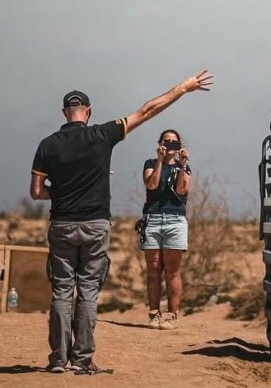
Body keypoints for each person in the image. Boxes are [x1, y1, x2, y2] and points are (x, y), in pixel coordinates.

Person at [29, 70, 213, 374]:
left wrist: (60, 192)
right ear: (87, 113)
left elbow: (36, 192)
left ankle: (58, 360)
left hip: (61, 223)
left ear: (64, 113)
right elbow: (147, 110)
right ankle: (82, 360)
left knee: (62, 291)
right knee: (88, 290)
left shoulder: (47, 145)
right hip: (95, 224)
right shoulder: (102, 134)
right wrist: (183, 87)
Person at [141, 129, 191, 330]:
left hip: (175, 219)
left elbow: (181, 190)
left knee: (172, 270)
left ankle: (172, 315)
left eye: (174, 142)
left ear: (179, 146)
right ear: (159, 143)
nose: (170, 145)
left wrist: (183, 165)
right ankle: (154, 314)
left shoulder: (184, 167)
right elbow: (151, 185)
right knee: (153, 270)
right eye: (166, 141)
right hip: (152, 219)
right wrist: (160, 161)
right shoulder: (150, 164)